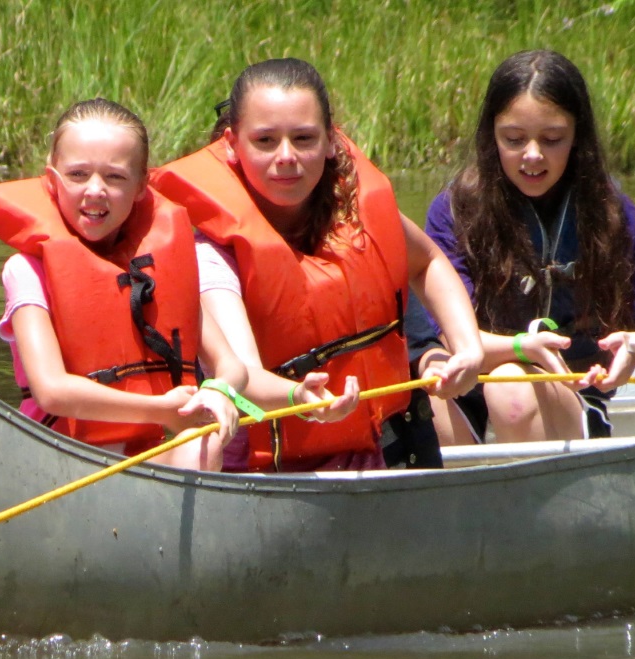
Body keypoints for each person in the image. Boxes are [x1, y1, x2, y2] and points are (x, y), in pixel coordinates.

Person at [152, 58, 484, 472]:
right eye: (266, 141)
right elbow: (242, 372)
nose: (287, 157)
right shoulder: (210, 246)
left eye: (304, 138)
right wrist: (300, 397)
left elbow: (427, 261)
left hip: (377, 440)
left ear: (331, 141)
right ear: (233, 145)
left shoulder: (356, 212)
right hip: (264, 460)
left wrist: (468, 347)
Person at [419, 49, 635, 445]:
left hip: (570, 402)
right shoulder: (453, 210)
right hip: (470, 395)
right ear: (491, 136)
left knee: (510, 385)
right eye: (513, 139)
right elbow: (447, 337)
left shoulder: (611, 212)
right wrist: (521, 346)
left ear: (576, 138)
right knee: (420, 395)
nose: (532, 155)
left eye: (552, 139)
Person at [0, 98, 252, 471]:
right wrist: (161, 410)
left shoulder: (164, 270)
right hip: (57, 462)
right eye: (78, 175)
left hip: (141, 459)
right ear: (52, 182)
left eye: (115, 177)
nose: (95, 191)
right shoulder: (26, 270)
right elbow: (52, 391)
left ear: (140, 186)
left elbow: (233, 367)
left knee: (204, 440)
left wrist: (217, 391)